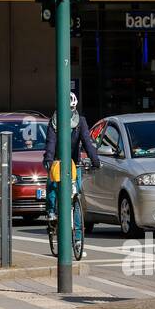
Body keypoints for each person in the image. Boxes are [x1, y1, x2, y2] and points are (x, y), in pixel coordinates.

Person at [42, 92, 101, 221]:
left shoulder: (81, 121)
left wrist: (95, 160)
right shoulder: (54, 122)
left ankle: (78, 238)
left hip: (74, 162)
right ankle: (51, 211)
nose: (69, 112)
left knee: (77, 192)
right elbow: (51, 142)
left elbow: (87, 141)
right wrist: (49, 160)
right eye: (67, 109)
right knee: (52, 184)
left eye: (72, 108)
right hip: (57, 160)